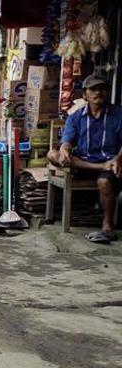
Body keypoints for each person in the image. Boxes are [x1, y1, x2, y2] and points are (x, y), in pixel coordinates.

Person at [50, 74, 122, 243]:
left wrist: (118, 159)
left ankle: (107, 225)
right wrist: (64, 151)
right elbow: (67, 142)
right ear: (84, 94)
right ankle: (100, 167)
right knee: (52, 154)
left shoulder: (118, 114)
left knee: (104, 182)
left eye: (102, 89)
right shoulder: (76, 117)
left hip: (111, 165)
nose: (98, 93)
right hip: (84, 164)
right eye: (93, 89)